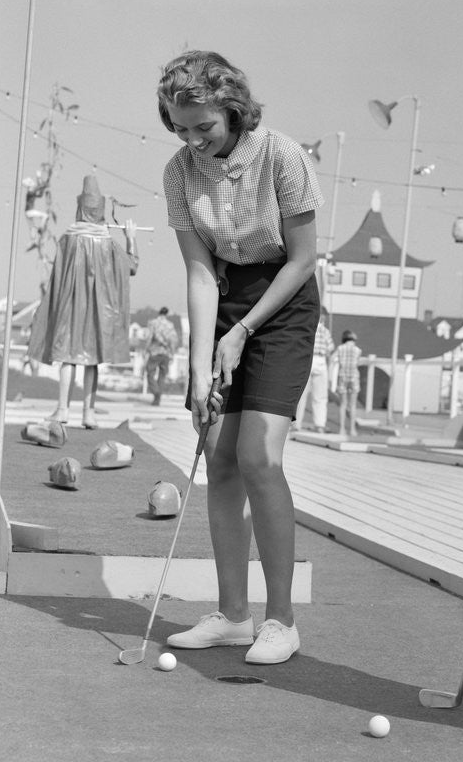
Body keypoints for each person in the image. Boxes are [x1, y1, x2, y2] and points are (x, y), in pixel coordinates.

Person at [158, 50, 322, 665]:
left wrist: (245, 330)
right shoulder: (178, 172)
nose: (194, 141)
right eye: (181, 128)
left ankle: (280, 622)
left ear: (232, 110)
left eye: (206, 127)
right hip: (226, 299)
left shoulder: (280, 154)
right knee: (218, 457)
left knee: (257, 456)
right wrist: (201, 366)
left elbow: (304, 258)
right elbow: (200, 273)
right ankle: (232, 616)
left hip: (283, 303)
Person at [28, 175, 139, 429]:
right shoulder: (108, 243)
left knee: (68, 358)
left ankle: (62, 409)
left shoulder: (68, 239)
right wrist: (130, 237)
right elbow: (131, 267)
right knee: (92, 360)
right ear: (100, 210)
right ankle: (89, 413)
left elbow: (56, 279)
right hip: (100, 313)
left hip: (70, 311)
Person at [294, 306, 334, 431]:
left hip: (308, 359)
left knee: (301, 395)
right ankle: (320, 424)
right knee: (320, 396)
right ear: (323, 317)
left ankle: (296, 424)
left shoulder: (308, 328)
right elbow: (330, 350)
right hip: (321, 361)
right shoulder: (325, 331)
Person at [145, 306, 179, 406]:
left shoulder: (153, 323)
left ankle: (156, 392)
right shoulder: (170, 325)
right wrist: (172, 353)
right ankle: (158, 397)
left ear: (159, 313)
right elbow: (173, 340)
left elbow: (149, 337)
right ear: (166, 314)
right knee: (162, 376)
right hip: (166, 353)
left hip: (155, 352)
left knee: (150, 373)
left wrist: (146, 349)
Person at [332, 330, 362, 438]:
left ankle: (341, 429)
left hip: (342, 376)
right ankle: (352, 430)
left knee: (343, 404)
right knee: (352, 405)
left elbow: (332, 358)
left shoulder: (340, 348)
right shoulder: (358, 350)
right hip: (354, 377)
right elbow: (357, 363)